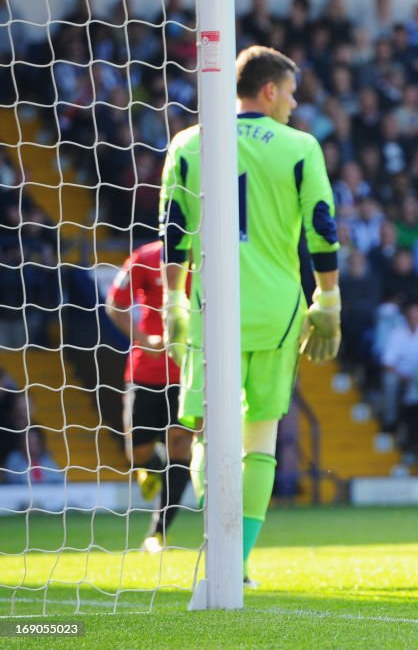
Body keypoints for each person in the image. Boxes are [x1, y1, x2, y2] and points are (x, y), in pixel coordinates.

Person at [159, 46, 341, 588]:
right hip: (275, 310)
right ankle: (235, 564)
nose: (293, 102)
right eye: (290, 92)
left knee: (209, 437)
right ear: (268, 90)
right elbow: (322, 226)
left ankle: (217, 553)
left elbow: (173, 232)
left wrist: (171, 301)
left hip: (209, 308)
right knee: (259, 438)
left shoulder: (188, 143)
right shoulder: (299, 145)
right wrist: (327, 300)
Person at [105, 240, 192, 552]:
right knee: (137, 452)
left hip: (189, 374)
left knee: (180, 444)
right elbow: (114, 304)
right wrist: (144, 339)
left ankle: (158, 532)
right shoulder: (146, 257)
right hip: (146, 372)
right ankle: (151, 467)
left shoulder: (215, 259)